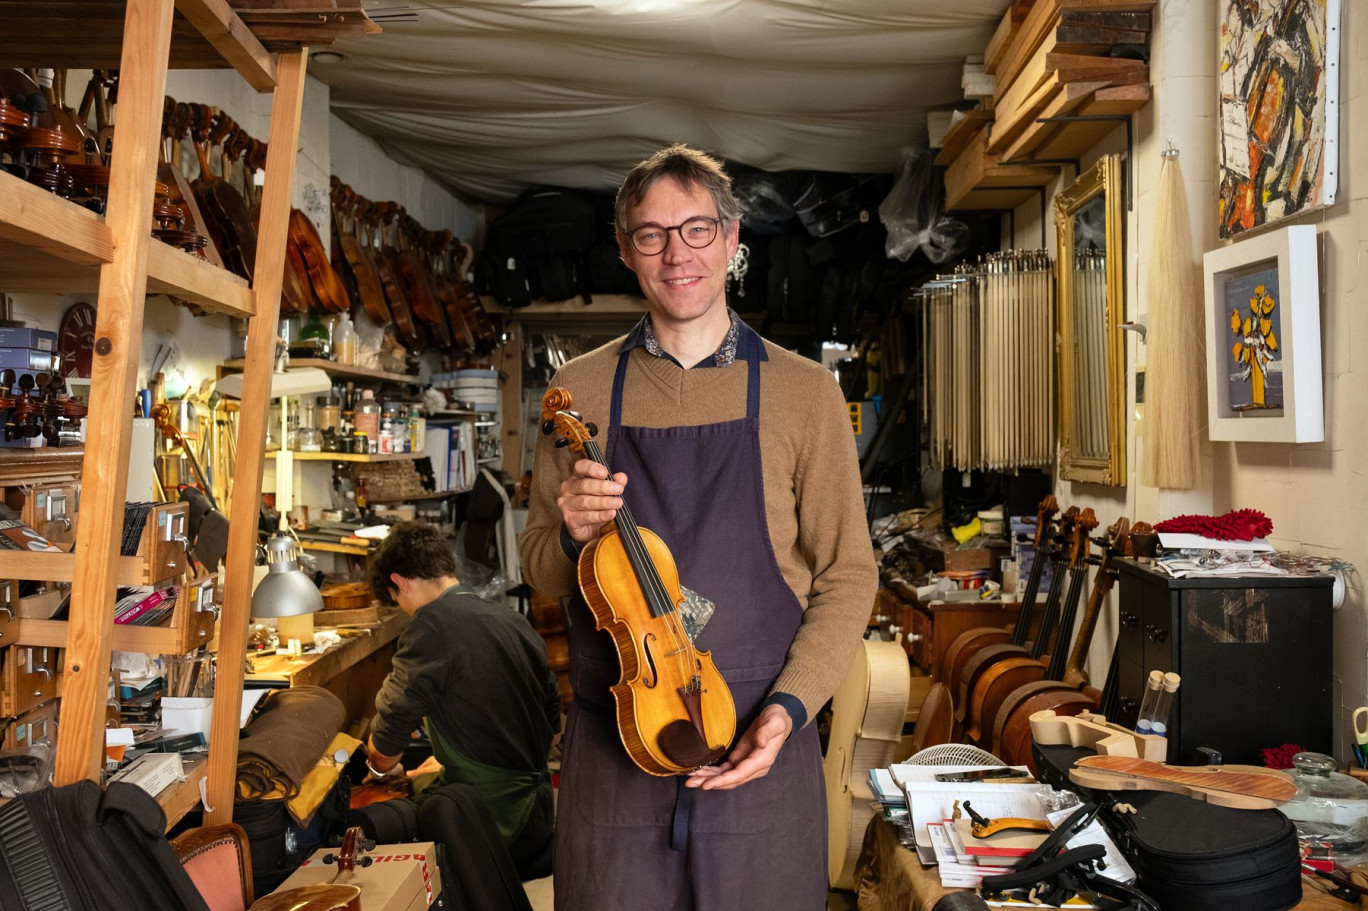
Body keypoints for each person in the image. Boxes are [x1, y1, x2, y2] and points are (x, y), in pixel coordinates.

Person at [519, 145, 877, 909]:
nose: (676, 253)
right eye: (651, 234)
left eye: (696, 229)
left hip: (758, 750)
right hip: (614, 754)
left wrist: (788, 712)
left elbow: (849, 573)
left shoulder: (805, 393)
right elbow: (538, 566)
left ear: (733, 237)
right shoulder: (576, 391)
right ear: (625, 249)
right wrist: (573, 538)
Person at [365, 521, 560, 900]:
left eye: (396, 600)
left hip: (493, 825)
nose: (404, 611)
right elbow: (551, 724)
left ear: (400, 581)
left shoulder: (430, 626)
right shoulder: (512, 620)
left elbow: (388, 739)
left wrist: (378, 768)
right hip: (539, 817)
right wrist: (456, 760)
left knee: (374, 835)